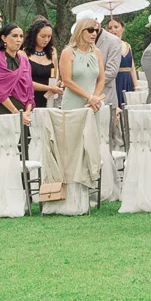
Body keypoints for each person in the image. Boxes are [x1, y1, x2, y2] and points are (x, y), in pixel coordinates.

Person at [47, 16, 108, 214]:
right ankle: (70, 193)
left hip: (93, 106)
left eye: (96, 30)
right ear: (80, 30)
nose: (93, 34)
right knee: (72, 147)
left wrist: (96, 98)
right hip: (74, 103)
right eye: (90, 30)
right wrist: (88, 97)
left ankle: (88, 191)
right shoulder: (68, 52)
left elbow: (101, 78)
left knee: (90, 145)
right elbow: (67, 80)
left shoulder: (97, 52)